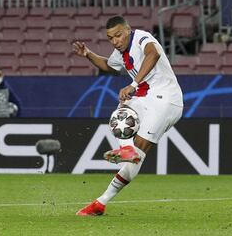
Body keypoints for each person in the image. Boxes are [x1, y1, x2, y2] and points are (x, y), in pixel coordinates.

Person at [73, 16, 183, 216]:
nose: (115, 41)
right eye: (110, 38)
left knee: (138, 148)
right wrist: (88, 54)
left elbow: (154, 54)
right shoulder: (119, 53)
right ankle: (100, 203)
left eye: (118, 35)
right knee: (121, 114)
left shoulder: (141, 38)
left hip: (166, 99)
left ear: (128, 30)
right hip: (146, 97)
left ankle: (128, 150)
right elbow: (108, 66)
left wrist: (133, 84)